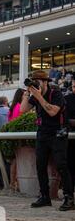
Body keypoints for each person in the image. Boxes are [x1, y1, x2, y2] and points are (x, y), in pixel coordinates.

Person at [20, 70, 74, 211]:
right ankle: (45, 196)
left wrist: (39, 96)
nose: (36, 84)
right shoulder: (35, 95)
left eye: (38, 82)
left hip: (58, 133)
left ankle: (69, 197)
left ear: (45, 82)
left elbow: (52, 111)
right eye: (34, 81)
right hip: (42, 133)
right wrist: (27, 93)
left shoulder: (55, 94)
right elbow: (23, 109)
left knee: (61, 165)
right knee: (40, 165)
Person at [65, 80, 75, 189]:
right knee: (71, 165)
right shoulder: (67, 99)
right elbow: (64, 118)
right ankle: (70, 192)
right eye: (73, 86)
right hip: (71, 138)